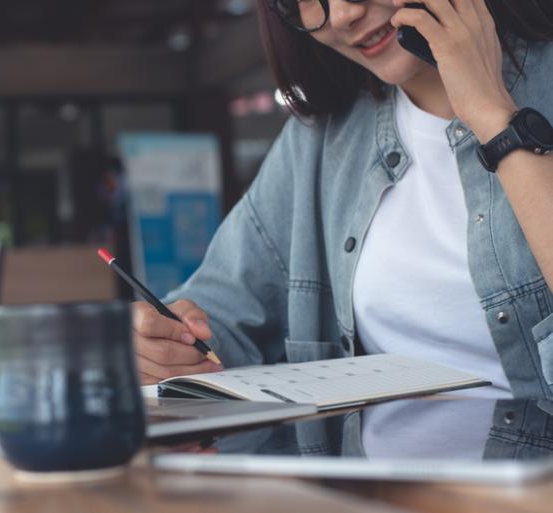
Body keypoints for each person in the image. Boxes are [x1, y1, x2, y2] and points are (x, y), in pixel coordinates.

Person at [131, 0, 553, 399]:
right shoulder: (321, 140)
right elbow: (223, 311)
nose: (345, 15)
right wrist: (162, 344)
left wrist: (495, 118)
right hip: (361, 477)